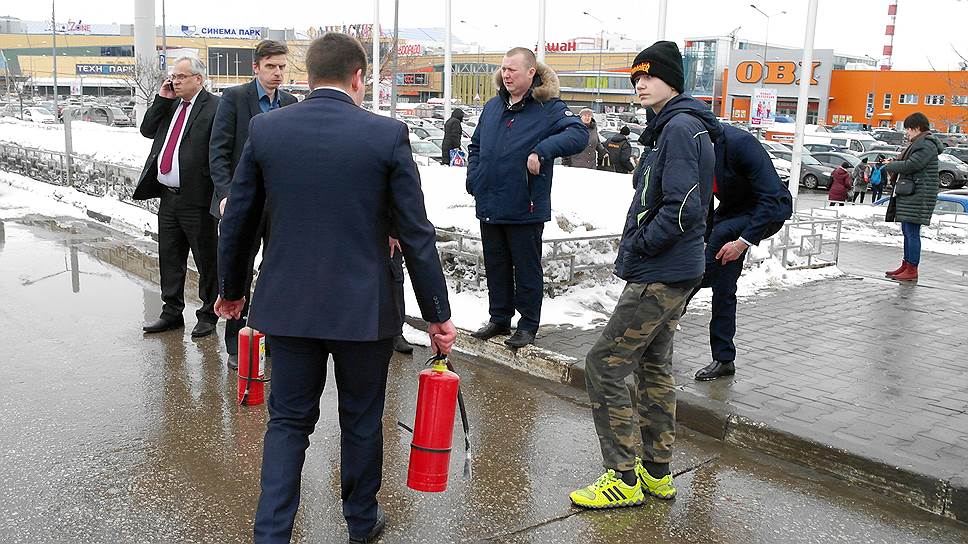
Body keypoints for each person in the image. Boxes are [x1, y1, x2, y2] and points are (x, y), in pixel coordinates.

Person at [214, 33, 456, 543]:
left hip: (289, 305)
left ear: (308, 76)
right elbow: (416, 232)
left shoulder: (268, 129)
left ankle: (272, 532)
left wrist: (232, 291)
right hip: (362, 311)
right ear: (358, 77)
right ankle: (361, 523)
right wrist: (437, 313)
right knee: (363, 422)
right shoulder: (387, 135)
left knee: (288, 422)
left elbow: (239, 219)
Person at [569, 41, 720, 509]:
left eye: (648, 76)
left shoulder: (678, 128)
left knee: (604, 365)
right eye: (636, 77)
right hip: (676, 270)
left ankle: (622, 476)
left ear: (672, 80)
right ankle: (656, 473)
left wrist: (639, 245)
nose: (640, 84)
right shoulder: (679, 127)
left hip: (662, 270)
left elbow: (682, 209)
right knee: (653, 365)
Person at [466, 47, 587, 348]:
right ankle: (499, 318)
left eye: (513, 69)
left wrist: (542, 151)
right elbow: (476, 147)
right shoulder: (494, 107)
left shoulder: (547, 106)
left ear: (531, 72)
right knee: (496, 264)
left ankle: (528, 324)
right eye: (504, 69)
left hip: (525, 204)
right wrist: (475, 179)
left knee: (526, 267)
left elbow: (578, 134)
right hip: (491, 201)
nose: (506, 74)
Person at [208, 39, 298, 370]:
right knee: (240, 269)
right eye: (271, 66)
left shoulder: (290, 103)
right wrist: (226, 193)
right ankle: (236, 341)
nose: (277, 73)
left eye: (282, 67)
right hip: (242, 203)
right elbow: (218, 151)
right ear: (256, 67)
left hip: (278, 205)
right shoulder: (233, 99)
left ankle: (271, 334)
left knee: (276, 270)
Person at [690, 124, 793, 381]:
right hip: (732, 213)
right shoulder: (692, 148)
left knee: (695, 273)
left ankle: (652, 337)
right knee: (723, 286)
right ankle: (724, 359)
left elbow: (771, 198)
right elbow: (707, 200)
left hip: (767, 211)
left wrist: (743, 243)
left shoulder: (740, 143)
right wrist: (704, 237)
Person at [134, 56, 220, 338]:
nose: (175, 81)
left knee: (206, 259)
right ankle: (171, 312)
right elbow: (147, 130)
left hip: (198, 197)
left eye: (181, 77)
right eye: (173, 76)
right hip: (168, 197)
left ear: (199, 78)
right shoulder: (170, 105)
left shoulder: (215, 107)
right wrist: (162, 99)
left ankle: (208, 314)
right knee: (170, 257)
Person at [882, 112, 944, 282]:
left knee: (912, 232)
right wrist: (894, 161)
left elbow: (912, 164)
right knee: (907, 231)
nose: (907, 132)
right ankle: (906, 265)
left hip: (919, 194)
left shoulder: (926, 144)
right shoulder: (920, 142)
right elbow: (911, 162)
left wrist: (892, 165)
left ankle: (912, 269)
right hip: (914, 193)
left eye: (908, 129)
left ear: (917, 128)